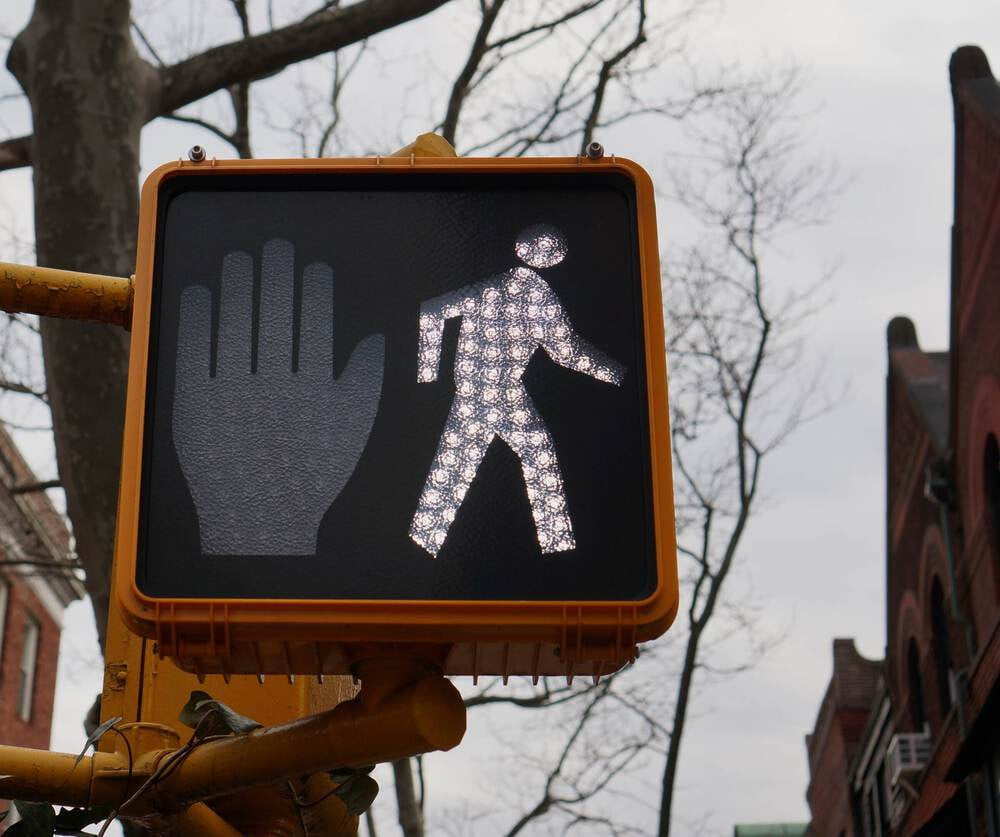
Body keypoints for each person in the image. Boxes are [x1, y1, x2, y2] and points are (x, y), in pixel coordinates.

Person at [410, 224, 624, 557]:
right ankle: (557, 549)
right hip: (486, 392)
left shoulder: (516, 292)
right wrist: (425, 374)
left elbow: (565, 351)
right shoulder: (514, 292)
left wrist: (429, 377)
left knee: (466, 465)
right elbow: (567, 352)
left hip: (492, 391)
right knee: (510, 457)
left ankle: (423, 544)